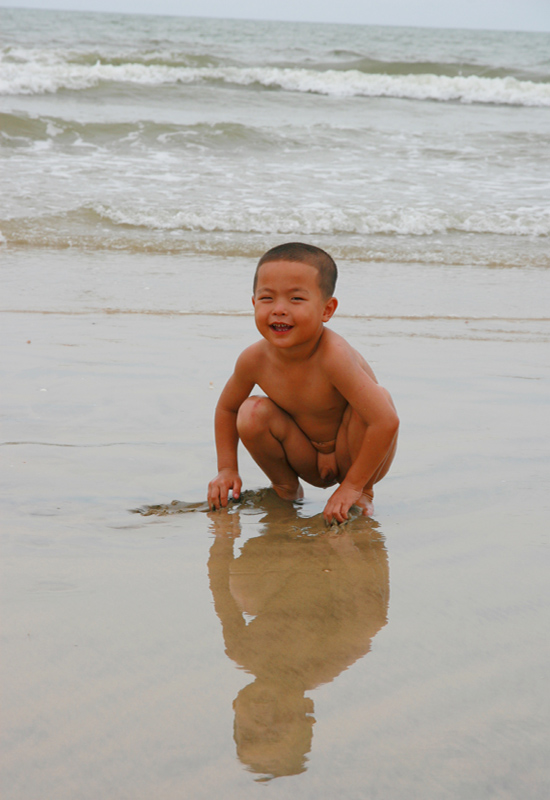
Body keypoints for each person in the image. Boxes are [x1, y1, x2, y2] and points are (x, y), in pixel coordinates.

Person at [207, 242, 399, 523]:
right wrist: (227, 469)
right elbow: (227, 409)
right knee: (250, 411)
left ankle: (362, 495)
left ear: (327, 309)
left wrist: (354, 485)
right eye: (267, 298)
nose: (279, 310)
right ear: (253, 303)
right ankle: (286, 489)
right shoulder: (254, 359)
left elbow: (386, 422)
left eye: (296, 299)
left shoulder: (333, 356)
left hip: (357, 454)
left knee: (377, 399)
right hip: (305, 454)